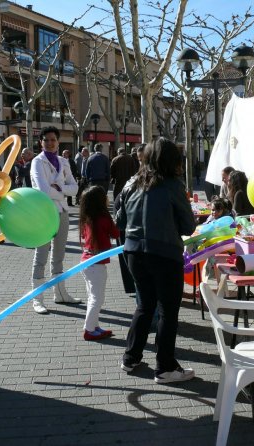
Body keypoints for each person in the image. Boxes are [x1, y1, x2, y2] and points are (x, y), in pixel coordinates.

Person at [116, 137, 196, 383]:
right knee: (168, 311)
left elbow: (119, 220)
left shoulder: (132, 183)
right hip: (163, 253)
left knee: (145, 305)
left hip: (133, 252)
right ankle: (165, 367)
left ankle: (131, 357)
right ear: (172, 161)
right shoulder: (173, 185)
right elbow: (188, 225)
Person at [30, 126, 81, 314]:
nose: (50, 143)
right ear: (41, 142)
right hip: (43, 214)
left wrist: (58, 189)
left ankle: (60, 293)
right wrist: (62, 190)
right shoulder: (37, 162)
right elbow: (43, 190)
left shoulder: (63, 161)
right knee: (41, 256)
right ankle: (37, 299)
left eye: (53, 139)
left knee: (58, 257)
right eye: (46, 140)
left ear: (58, 142)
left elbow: (75, 189)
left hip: (62, 213)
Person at [78, 185, 120, 341]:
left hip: (86, 262)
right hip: (97, 264)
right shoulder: (104, 218)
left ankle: (94, 326)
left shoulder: (86, 218)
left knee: (92, 296)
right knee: (97, 298)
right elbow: (116, 233)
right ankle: (89, 329)